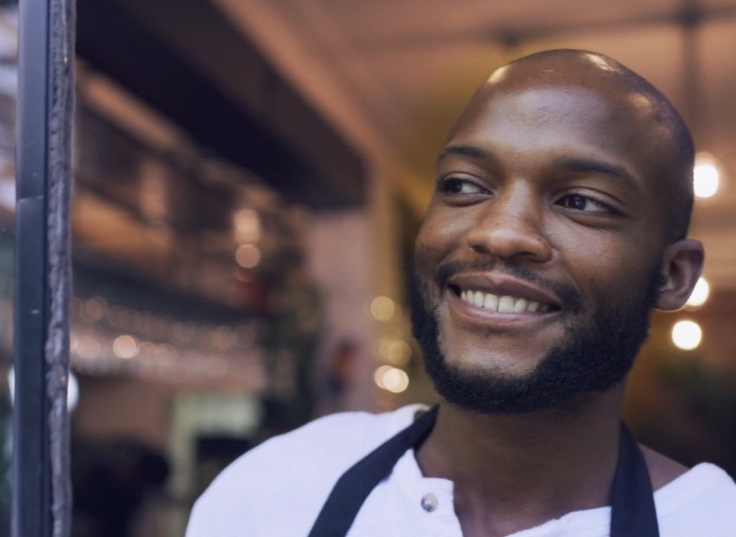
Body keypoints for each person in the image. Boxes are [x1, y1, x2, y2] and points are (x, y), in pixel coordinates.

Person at [186, 49, 736, 536]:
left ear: (673, 275)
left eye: (581, 201)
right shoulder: (272, 493)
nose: (497, 231)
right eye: (463, 186)